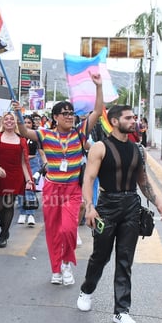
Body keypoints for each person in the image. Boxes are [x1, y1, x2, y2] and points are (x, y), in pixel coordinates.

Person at [76, 105, 162, 323]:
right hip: (107, 206)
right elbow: (88, 179)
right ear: (115, 121)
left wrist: (158, 202)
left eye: (134, 117)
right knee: (101, 256)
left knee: (125, 259)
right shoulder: (100, 147)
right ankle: (86, 290)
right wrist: (89, 207)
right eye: (128, 118)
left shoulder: (138, 149)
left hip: (131, 206)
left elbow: (143, 180)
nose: (133, 121)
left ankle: (121, 311)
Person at [14, 73, 104, 287]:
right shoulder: (44, 134)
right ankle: (55, 270)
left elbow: (98, 111)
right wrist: (18, 112)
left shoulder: (80, 133)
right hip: (52, 189)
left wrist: (98, 87)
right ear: (55, 117)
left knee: (67, 229)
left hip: (73, 190)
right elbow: (24, 131)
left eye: (71, 113)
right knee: (54, 232)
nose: (69, 117)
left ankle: (66, 263)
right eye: (64, 114)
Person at [0, 112, 33, 247]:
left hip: (15, 176)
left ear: (15, 122)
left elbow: (24, 162)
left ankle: (4, 234)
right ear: (2, 122)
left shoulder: (21, 140)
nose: (9, 121)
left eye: (12, 119)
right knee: (0, 207)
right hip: (0, 176)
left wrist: (29, 180)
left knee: (8, 205)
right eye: (6, 119)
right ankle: (3, 225)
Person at [16, 115, 44, 227]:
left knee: (30, 189)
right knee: (21, 189)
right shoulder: (17, 137)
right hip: (20, 165)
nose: (27, 124)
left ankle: (31, 214)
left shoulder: (36, 136)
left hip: (33, 165)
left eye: (29, 122)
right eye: (25, 122)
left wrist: (44, 166)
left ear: (32, 124)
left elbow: (41, 152)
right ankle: (22, 212)